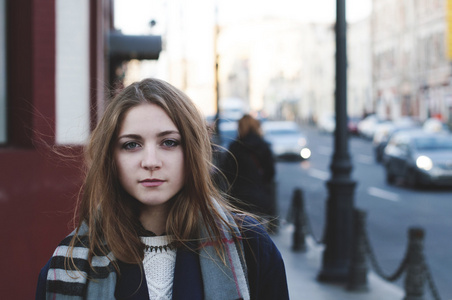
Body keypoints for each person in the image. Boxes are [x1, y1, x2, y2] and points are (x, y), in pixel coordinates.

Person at [35, 78, 288, 300]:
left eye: (168, 142)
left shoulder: (251, 246)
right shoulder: (69, 266)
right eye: (132, 145)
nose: (151, 162)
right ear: (111, 158)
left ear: (191, 150)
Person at [220, 115, 276, 220]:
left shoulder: (235, 147)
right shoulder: (263, 146)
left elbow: (227, 172)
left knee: (240, 233)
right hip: (259, 197)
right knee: (259, 232)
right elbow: (270, 172)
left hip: (238, 198)